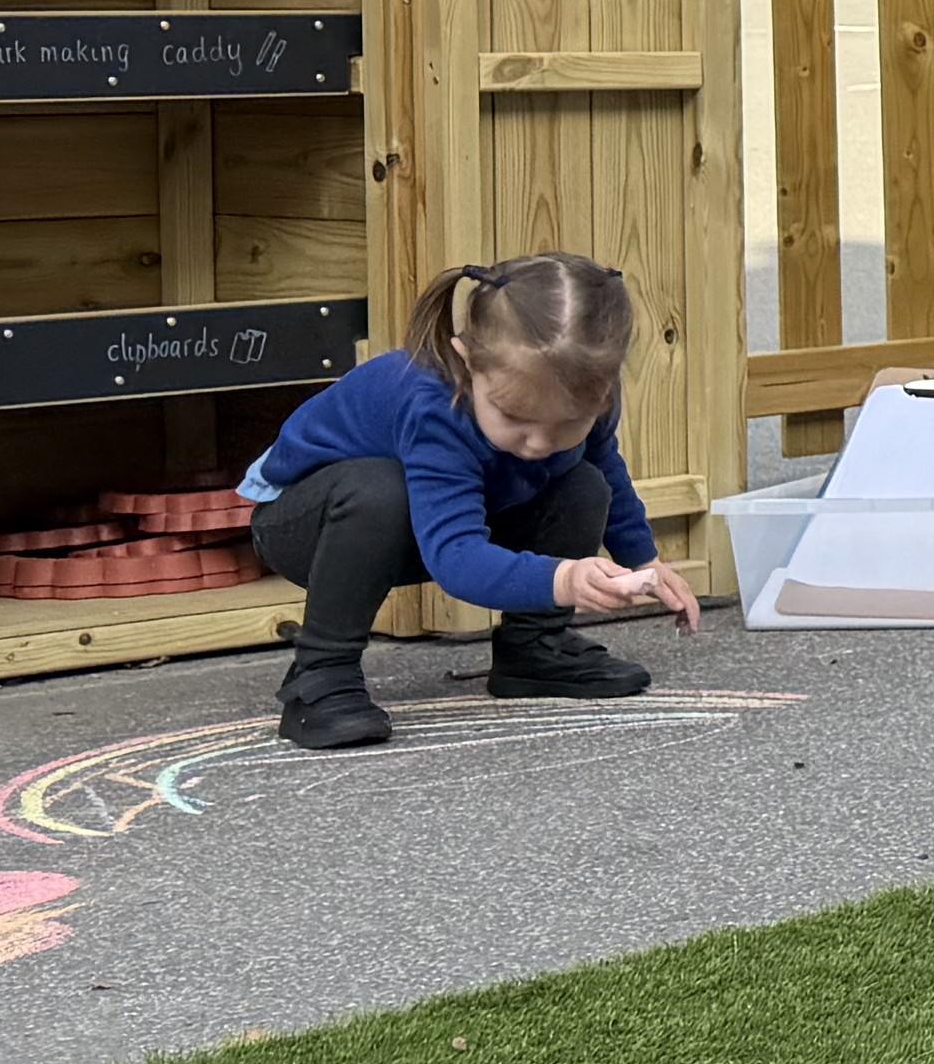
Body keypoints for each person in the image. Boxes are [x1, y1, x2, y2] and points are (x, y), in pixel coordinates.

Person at [240, 251, 699, 753]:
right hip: (305, 525)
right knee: (379, 490)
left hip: (419, 520)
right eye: (513, 417)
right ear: (467, 360)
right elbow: (456, 559)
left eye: (565, 425)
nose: (538, 443)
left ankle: (535, 650)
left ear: (605, 387)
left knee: (582, 483)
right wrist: (563, 579)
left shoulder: (587, 396)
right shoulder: (436, 403)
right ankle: (320, 678)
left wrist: (647, 563)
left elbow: (606, 468)